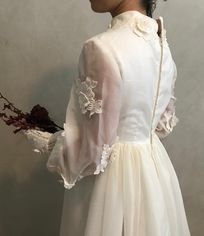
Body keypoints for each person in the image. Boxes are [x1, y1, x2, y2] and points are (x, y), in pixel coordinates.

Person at [23, 0, 191, 235]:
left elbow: (93, 152)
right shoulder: (161, 42)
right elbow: (162, 125)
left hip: (112, 184)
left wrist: (53, 145)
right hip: (154, 173)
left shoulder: (101, 47)